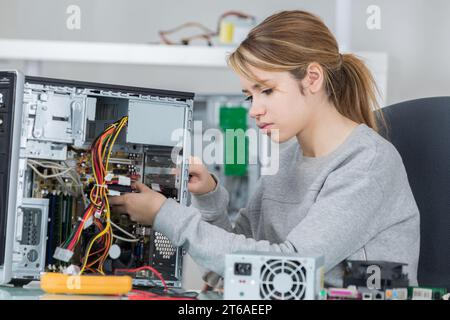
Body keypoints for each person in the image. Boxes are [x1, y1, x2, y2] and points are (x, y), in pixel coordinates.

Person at [109, 10, 420, 288]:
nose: (255, 110)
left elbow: (289, 269)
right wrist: (209, 198)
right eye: (249, 96)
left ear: (312, 78)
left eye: (267, 90)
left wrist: (164, 214)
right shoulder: (286, 159)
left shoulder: (367, 163)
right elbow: (233, 269)